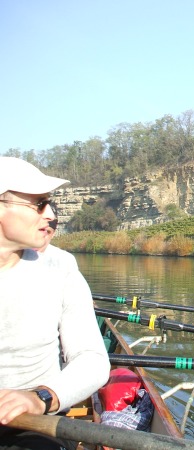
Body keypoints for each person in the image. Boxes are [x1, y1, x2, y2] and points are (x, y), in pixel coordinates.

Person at [0, 157, 110, 449]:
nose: (50, 215)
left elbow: (93, 360)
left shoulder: (61, 265)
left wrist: (41, 398)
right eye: (38, 204)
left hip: (34, 424)